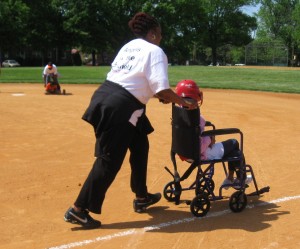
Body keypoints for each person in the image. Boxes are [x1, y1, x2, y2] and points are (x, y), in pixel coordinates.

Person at [64, 12, 197, 229]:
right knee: (109, 159)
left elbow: (136, 83)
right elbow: (161, 88)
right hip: (121, 107)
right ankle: (79, 209)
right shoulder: (155, 51)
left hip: (108, 97)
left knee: (140, 143)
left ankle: (142, 196)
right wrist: (183, 102)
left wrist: (161, 96)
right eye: (160, 34)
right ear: (153, 33)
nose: (161, 38)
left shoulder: (129, 46)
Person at [175, 79, 252, 190]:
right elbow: (200, 146)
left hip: (185, 153)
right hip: (201, 154)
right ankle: (239, 178)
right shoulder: (195, 118)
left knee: (232, 150)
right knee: (234, 144)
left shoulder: (178, 114)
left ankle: (231, 178)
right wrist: (210, 139)